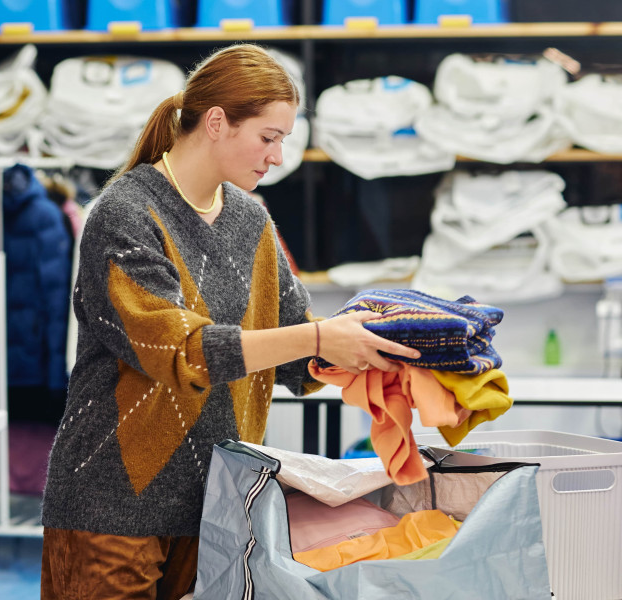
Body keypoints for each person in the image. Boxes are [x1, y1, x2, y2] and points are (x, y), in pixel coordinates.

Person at [39, 44, 422, 599]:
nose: (277, 156)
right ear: (216, 122)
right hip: (112, 506)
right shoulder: (125, 213)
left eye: (284, 140)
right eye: (268, 137)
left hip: (218, 505)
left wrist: (377, 340)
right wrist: (319, 335)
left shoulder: (250, 219)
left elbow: (295, 358)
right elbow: (180, 352)